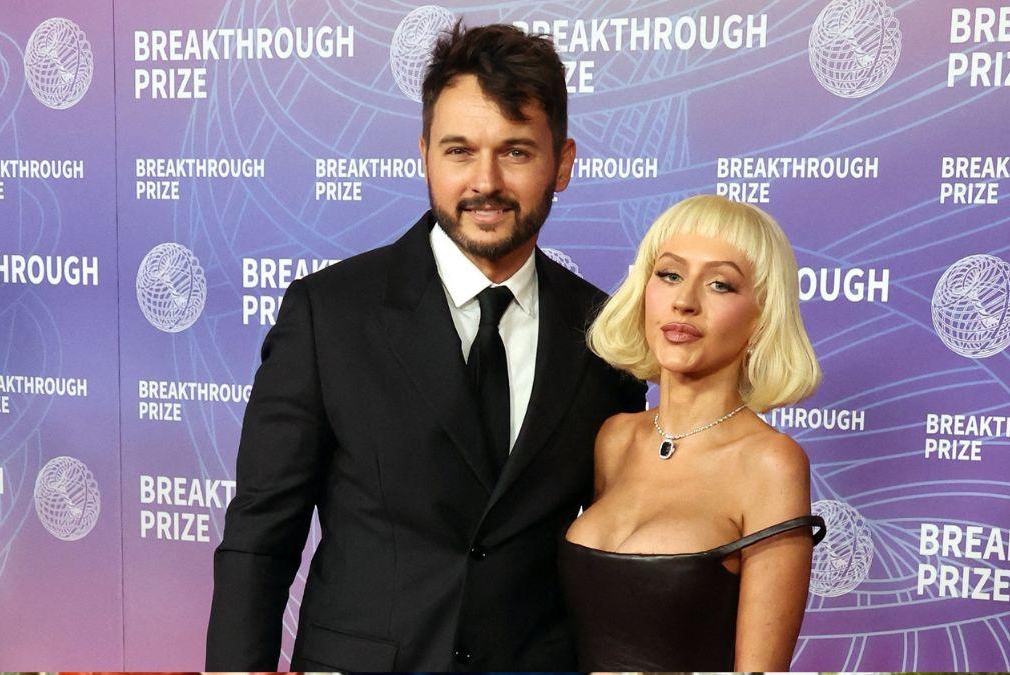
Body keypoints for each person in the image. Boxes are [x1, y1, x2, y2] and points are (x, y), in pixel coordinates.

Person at [204, 22, 646, 672]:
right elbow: (259, 536)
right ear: (425, 155)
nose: (485, 181)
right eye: (459, 150)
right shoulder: (330, 314)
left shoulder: (607, 335)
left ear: (563, 162)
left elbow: (612, 553)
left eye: (516, 151)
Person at [558, 194, 826, 671]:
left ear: (762, 317)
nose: (684, 302)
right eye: (669, 275)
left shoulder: (770, 463)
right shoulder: (615, 439)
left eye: (720, 284)